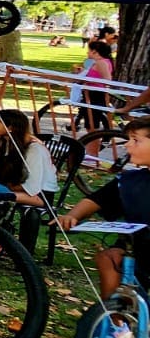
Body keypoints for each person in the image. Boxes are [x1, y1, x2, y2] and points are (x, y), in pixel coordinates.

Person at [58, 119, 150, 299]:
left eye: (136, 140)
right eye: (128, 139)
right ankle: (116, 316)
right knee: (108, 258)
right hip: (138, 249)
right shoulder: (131, 180)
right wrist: (72, 215)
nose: (128, 146)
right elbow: (96, 200)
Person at [0, 109, 58, 207]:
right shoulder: (6, 142)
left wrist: (2, 186)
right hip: (17, 187)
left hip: (39, 195)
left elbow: (33, 186)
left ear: (10, 128)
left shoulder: (35, 150)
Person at [78, 40, 115, 147]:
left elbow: (107, 80)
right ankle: (91, 152)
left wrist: (89, 81)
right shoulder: (96, 62)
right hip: (91, 94)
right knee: (91, 125)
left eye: (89, 51)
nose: (87, 53)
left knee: (92, 127)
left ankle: (93, 154)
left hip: (95, 95)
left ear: (95, 51)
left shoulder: (101, 62)